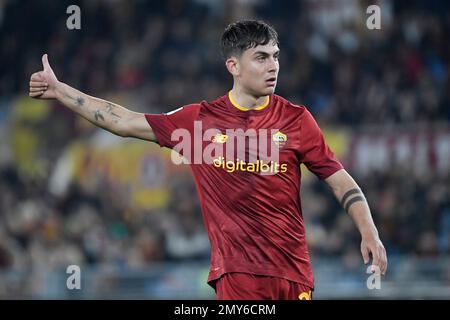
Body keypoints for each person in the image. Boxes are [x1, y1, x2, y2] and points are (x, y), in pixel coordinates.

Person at [29, 20, 387, 300]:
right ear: (233, 65)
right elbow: (122, 120)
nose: (273, 65)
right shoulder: (199, 121)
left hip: (295, 274)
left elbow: (340, 180)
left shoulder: (297, 119)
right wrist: (61, 91)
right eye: (261, 57)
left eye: (276, 56)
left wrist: (368, 230)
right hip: (237, 275)